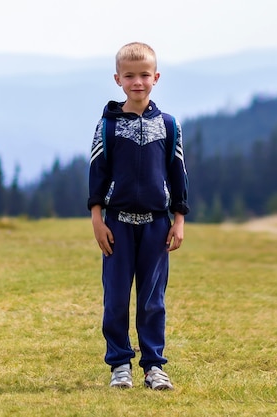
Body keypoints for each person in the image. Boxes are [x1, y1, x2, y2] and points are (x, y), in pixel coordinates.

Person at [87, 42, 189, 390]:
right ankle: (119, 365)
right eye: (129, 76)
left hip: (157, 226)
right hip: (116, 225)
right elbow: (97, 175)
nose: (138, 82)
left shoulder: (170, 125)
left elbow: (178, 175)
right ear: (118, 79)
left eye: (144, 75)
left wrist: (179, 219)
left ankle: (153, 366)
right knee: (116, 298)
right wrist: (97, 219)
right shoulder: (107, 126)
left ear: (156, 77)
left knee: (152, 300)